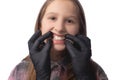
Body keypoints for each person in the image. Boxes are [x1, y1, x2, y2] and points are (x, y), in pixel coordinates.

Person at [8, 0, 108, 80]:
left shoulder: (95, 71)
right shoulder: (20, 71)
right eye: (52, 18)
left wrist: (84, 76)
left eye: (69, 21)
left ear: (79, 30)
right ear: (40, 25)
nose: (60, 28)